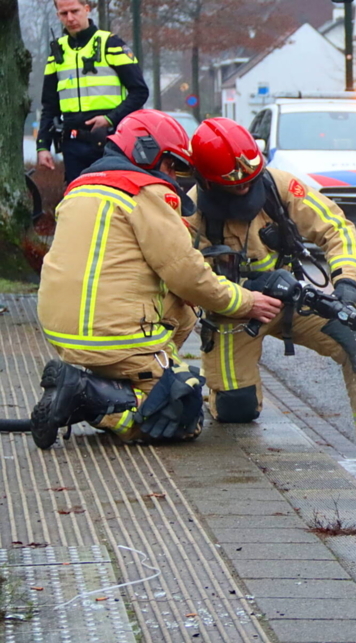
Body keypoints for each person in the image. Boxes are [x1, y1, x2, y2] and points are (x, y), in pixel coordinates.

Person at [31, 110, 282, 449]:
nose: (175, 177)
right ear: (146, 152)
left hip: (61, 332)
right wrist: (247, 301)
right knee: (181, 415)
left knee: (184, 311)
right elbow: (188, 275)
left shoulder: (80, 187)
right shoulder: (145, 192)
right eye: (172, 165)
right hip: (112, 339)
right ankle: (88, 396)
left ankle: (109, 385)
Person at [187, 117, 356, 470]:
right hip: (231, 312)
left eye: (250, 181)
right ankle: (225, 396)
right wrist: (244, 296)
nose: (245, 190)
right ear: (208, 181)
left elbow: (335, 227)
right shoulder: (188, 213)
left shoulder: (278, 187)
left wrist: (346, 281)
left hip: (291, 301)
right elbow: (188, 277)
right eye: (236, 186)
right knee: (237, 410)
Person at [36, 0, 149, 184]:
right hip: (72, 143)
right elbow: (49, 105)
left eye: (75, 11)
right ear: (58, 15)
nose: (70, 18)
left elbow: (139, 92)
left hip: (111, 141)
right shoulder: (58, 51)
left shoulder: (111, 44)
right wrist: (43, 146)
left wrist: (109, 118)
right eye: (64, 14)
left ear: (87, 9)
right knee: (77, 201)